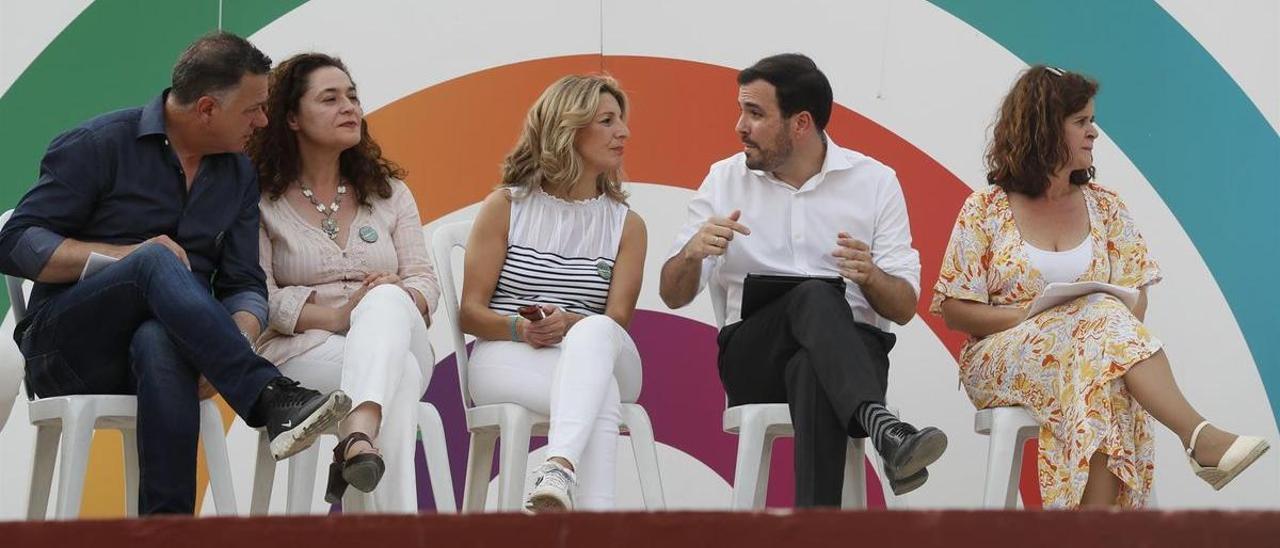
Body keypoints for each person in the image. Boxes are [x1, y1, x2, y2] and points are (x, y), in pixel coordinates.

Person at [0, 32, 350, 515]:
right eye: (253, 109)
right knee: (154, 258)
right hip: (68, 351)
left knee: (159, 337)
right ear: (206, 109)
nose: (263, 121)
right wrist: (125, 256)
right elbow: (15, 242)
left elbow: (244, 284)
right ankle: (268, 396)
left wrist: (230, 340)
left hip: (175, 352)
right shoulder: (99, 145)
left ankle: (168, 531)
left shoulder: (238, 174)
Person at [932, 65, 1269, 508]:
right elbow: (955, 310)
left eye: (1092, 120)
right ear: (1043, 129)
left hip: (1092, 355)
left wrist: (1087, 321)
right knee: (1100, 330)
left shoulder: (1107, 206)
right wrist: (1032, 316)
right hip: (1002, 359)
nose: (1094, 132)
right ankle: (1197, 436)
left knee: (1104, 372)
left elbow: (1135, 303)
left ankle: (1093, 525)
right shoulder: (985, 208)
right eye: (1081, 122)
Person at [659, 53, 947, 506]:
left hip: (854, 358)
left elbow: (904, 307)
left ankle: (817, 527)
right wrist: (693, 253)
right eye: (741, 111)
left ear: (801, 123)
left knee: (813, 367)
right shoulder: (723, 180)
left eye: (755, 113)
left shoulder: (875, 182)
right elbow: (672, 294)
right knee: (813, 295)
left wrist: (871, 275)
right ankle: (885, 429)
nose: (740, 126)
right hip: (755, 359)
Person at [247, 52, 440, 512]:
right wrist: (337, 315)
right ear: (292, 117)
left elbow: (424, 280)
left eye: (352, 96)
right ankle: (370, 463)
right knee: (400, 375)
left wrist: (394, 296)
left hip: (399, 334)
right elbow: (260, 296)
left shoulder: (389, 193)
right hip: (303, 351)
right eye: (330, 99)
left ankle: (355, 433)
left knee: (388, 298)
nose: (349, 107)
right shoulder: (262, 200)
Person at [459, 74, 645, 512]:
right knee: (599, 392)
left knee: (596, 332)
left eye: (621, 120)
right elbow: (470, 312)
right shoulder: (506, 206)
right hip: (508, 352)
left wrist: (570, 324)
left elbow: (617, 320)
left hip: (603, 351)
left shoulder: (628, 225)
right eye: (607, 121)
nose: (623, 132)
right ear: (568, 129)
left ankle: (558, 464)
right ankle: (586, 511)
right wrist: (520, 328)